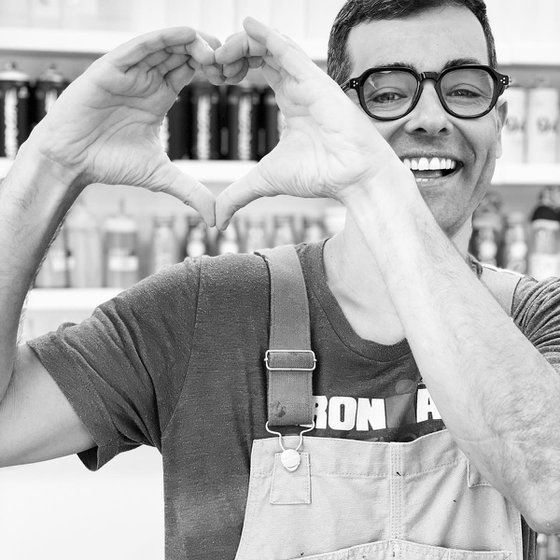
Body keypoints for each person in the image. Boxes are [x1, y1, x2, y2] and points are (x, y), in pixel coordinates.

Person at [0, 0, 559, 558]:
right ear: (332, 119)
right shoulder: (204, 313)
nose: (433, 118)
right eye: (388, 94)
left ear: (500, 123)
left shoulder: (540, 322)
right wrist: (49, 165)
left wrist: (375, 180)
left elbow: (551, 485)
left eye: (464, 90)